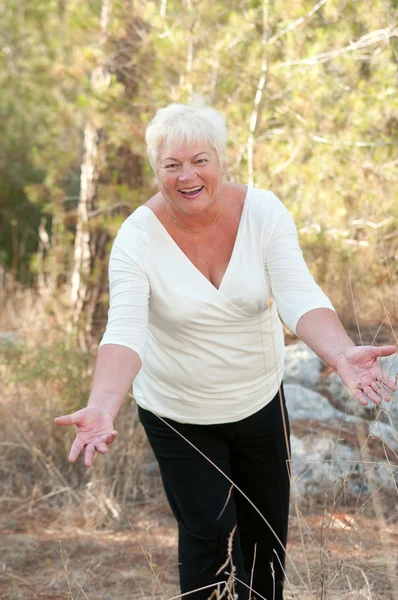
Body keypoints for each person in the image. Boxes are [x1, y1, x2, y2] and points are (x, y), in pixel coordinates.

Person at [55, 101, 397, 600]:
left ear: (221, 160)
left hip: (258, 402)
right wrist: (103, 405)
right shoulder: (136, 239)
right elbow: (125, 330)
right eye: (171, 165)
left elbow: (299, 295)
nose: (187, 175)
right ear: (157, 170)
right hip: (178, 414)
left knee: (265, 540)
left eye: (200, 160)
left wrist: (340, 353)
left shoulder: (263, 213)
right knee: (209, 534)